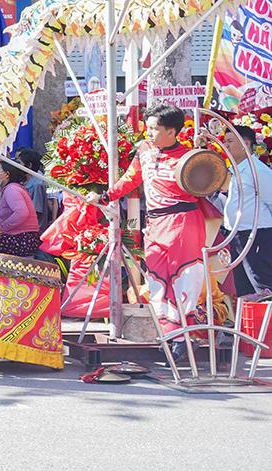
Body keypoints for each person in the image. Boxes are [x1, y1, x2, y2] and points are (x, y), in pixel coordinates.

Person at [104, 104, 218, 334]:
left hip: (183, 223)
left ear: (172, 131)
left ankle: (182, 336)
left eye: (155, 128)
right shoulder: (144, 149)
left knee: (185, 278)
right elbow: (131, 178)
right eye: (148, 127)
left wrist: (204, 152)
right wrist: (108, 195)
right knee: (157, 279)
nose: (149, 132)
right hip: (154, 225)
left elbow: (214, 180)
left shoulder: (190, 157)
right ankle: (167, 333)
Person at [223, 126, 272, 299]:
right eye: (225, 141)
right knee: (244, 289)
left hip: (257, 234)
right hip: (237, 235)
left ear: (245, 144)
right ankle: (251, 325)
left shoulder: (258, 170)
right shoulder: (235, 170)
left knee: (262, 286)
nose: (225, 146)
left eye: (230, 142)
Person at [0, 159, 42, 257]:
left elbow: (22, 213)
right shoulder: (12, 188)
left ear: (6, 174)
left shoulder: (12, 189)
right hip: (22, 237)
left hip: (23, 239)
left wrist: (3, 227)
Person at [16, 147, 52, 227]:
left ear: (29, 165)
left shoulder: (37, 185)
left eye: (19, 163)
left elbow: (36, 211)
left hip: (33, 227)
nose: (17, 166)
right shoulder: (24, 181)